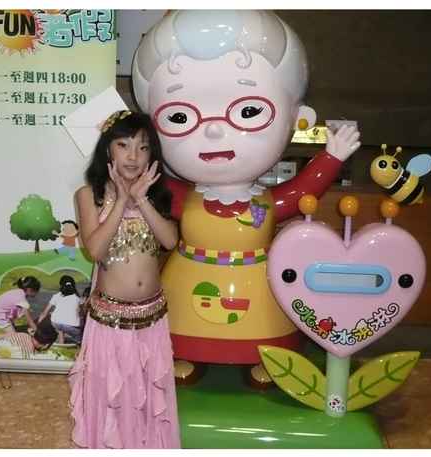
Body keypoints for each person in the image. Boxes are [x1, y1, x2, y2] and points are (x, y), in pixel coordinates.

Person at [132, 10, 362, 385]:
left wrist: (331, 157)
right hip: (187, 281)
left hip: (258, 283)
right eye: (179, 117)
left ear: (297, 119)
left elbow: (300, 193)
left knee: (266, 328)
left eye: (249, 111)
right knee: (181, 325)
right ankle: (184, 352)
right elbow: (152, 187)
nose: (213, 132)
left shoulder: (266, 200)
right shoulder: (181, 195)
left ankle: (266, 356)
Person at [69, 110, 180, 449]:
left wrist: (142, 199)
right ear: (108, 149)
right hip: (109, 323)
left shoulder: (157, 194)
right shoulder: (89, 195)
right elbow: (95, 249)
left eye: (143, 148)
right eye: (124, 145)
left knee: (148, 401)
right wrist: (120, 200)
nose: (133, 156)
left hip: (152, 320)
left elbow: (169, 241)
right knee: (111, 401)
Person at [38, 275, 82, 345]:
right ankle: (78, 342)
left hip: (56, 324)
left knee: (57, 319)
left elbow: (44, 313)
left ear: (61, 285)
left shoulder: (56, 296)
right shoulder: (77, 298)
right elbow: (81, 313)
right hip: (72, 327)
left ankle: (61, 342)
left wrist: (38, 327)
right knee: (79, 334)